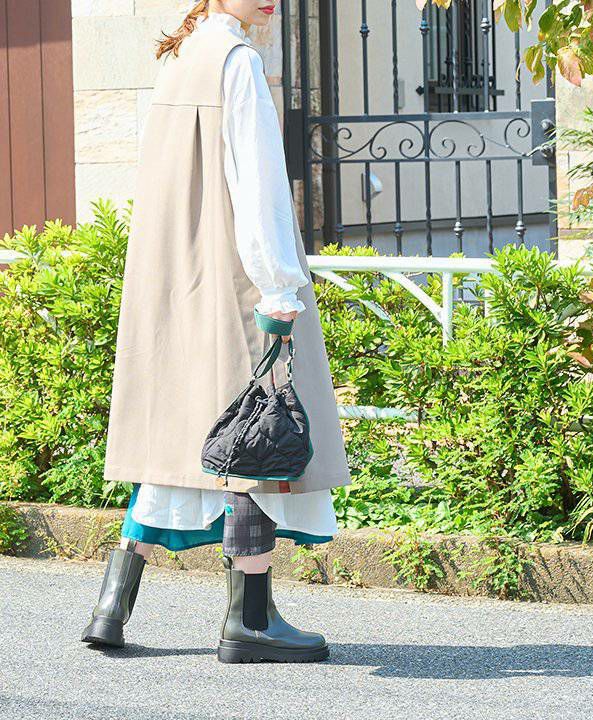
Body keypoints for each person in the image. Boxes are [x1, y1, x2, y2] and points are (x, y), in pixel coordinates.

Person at [80, 0, 351, 664]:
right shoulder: (236, 61)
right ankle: (250, 621)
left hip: (177, 280)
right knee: (255, 437)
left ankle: (112, 607)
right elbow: (258, 187)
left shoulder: (181, 59)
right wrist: (279, 288)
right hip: (233, 279)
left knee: (181, 445)